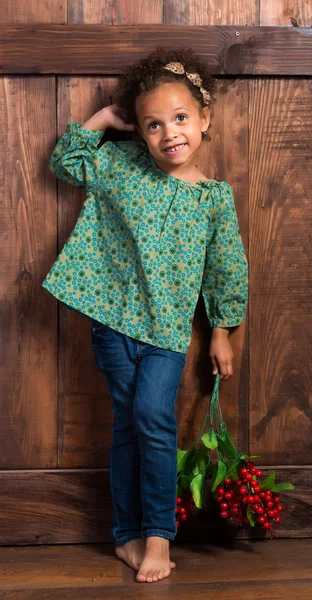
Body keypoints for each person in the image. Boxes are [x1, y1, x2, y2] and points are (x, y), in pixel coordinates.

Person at [41, 46, 248, 583]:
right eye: (153, 124)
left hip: (166, 331)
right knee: (126, 426)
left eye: (180, 118)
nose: (168, 133)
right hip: (112, 323)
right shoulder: (120, 166)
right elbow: (65, 161)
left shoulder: (213, 199)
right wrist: (104, 120)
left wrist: (222, 333)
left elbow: (225, 270)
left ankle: (158, 535)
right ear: (141, 131)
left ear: (204, 119)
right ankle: (126, 536)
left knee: (154, 421)